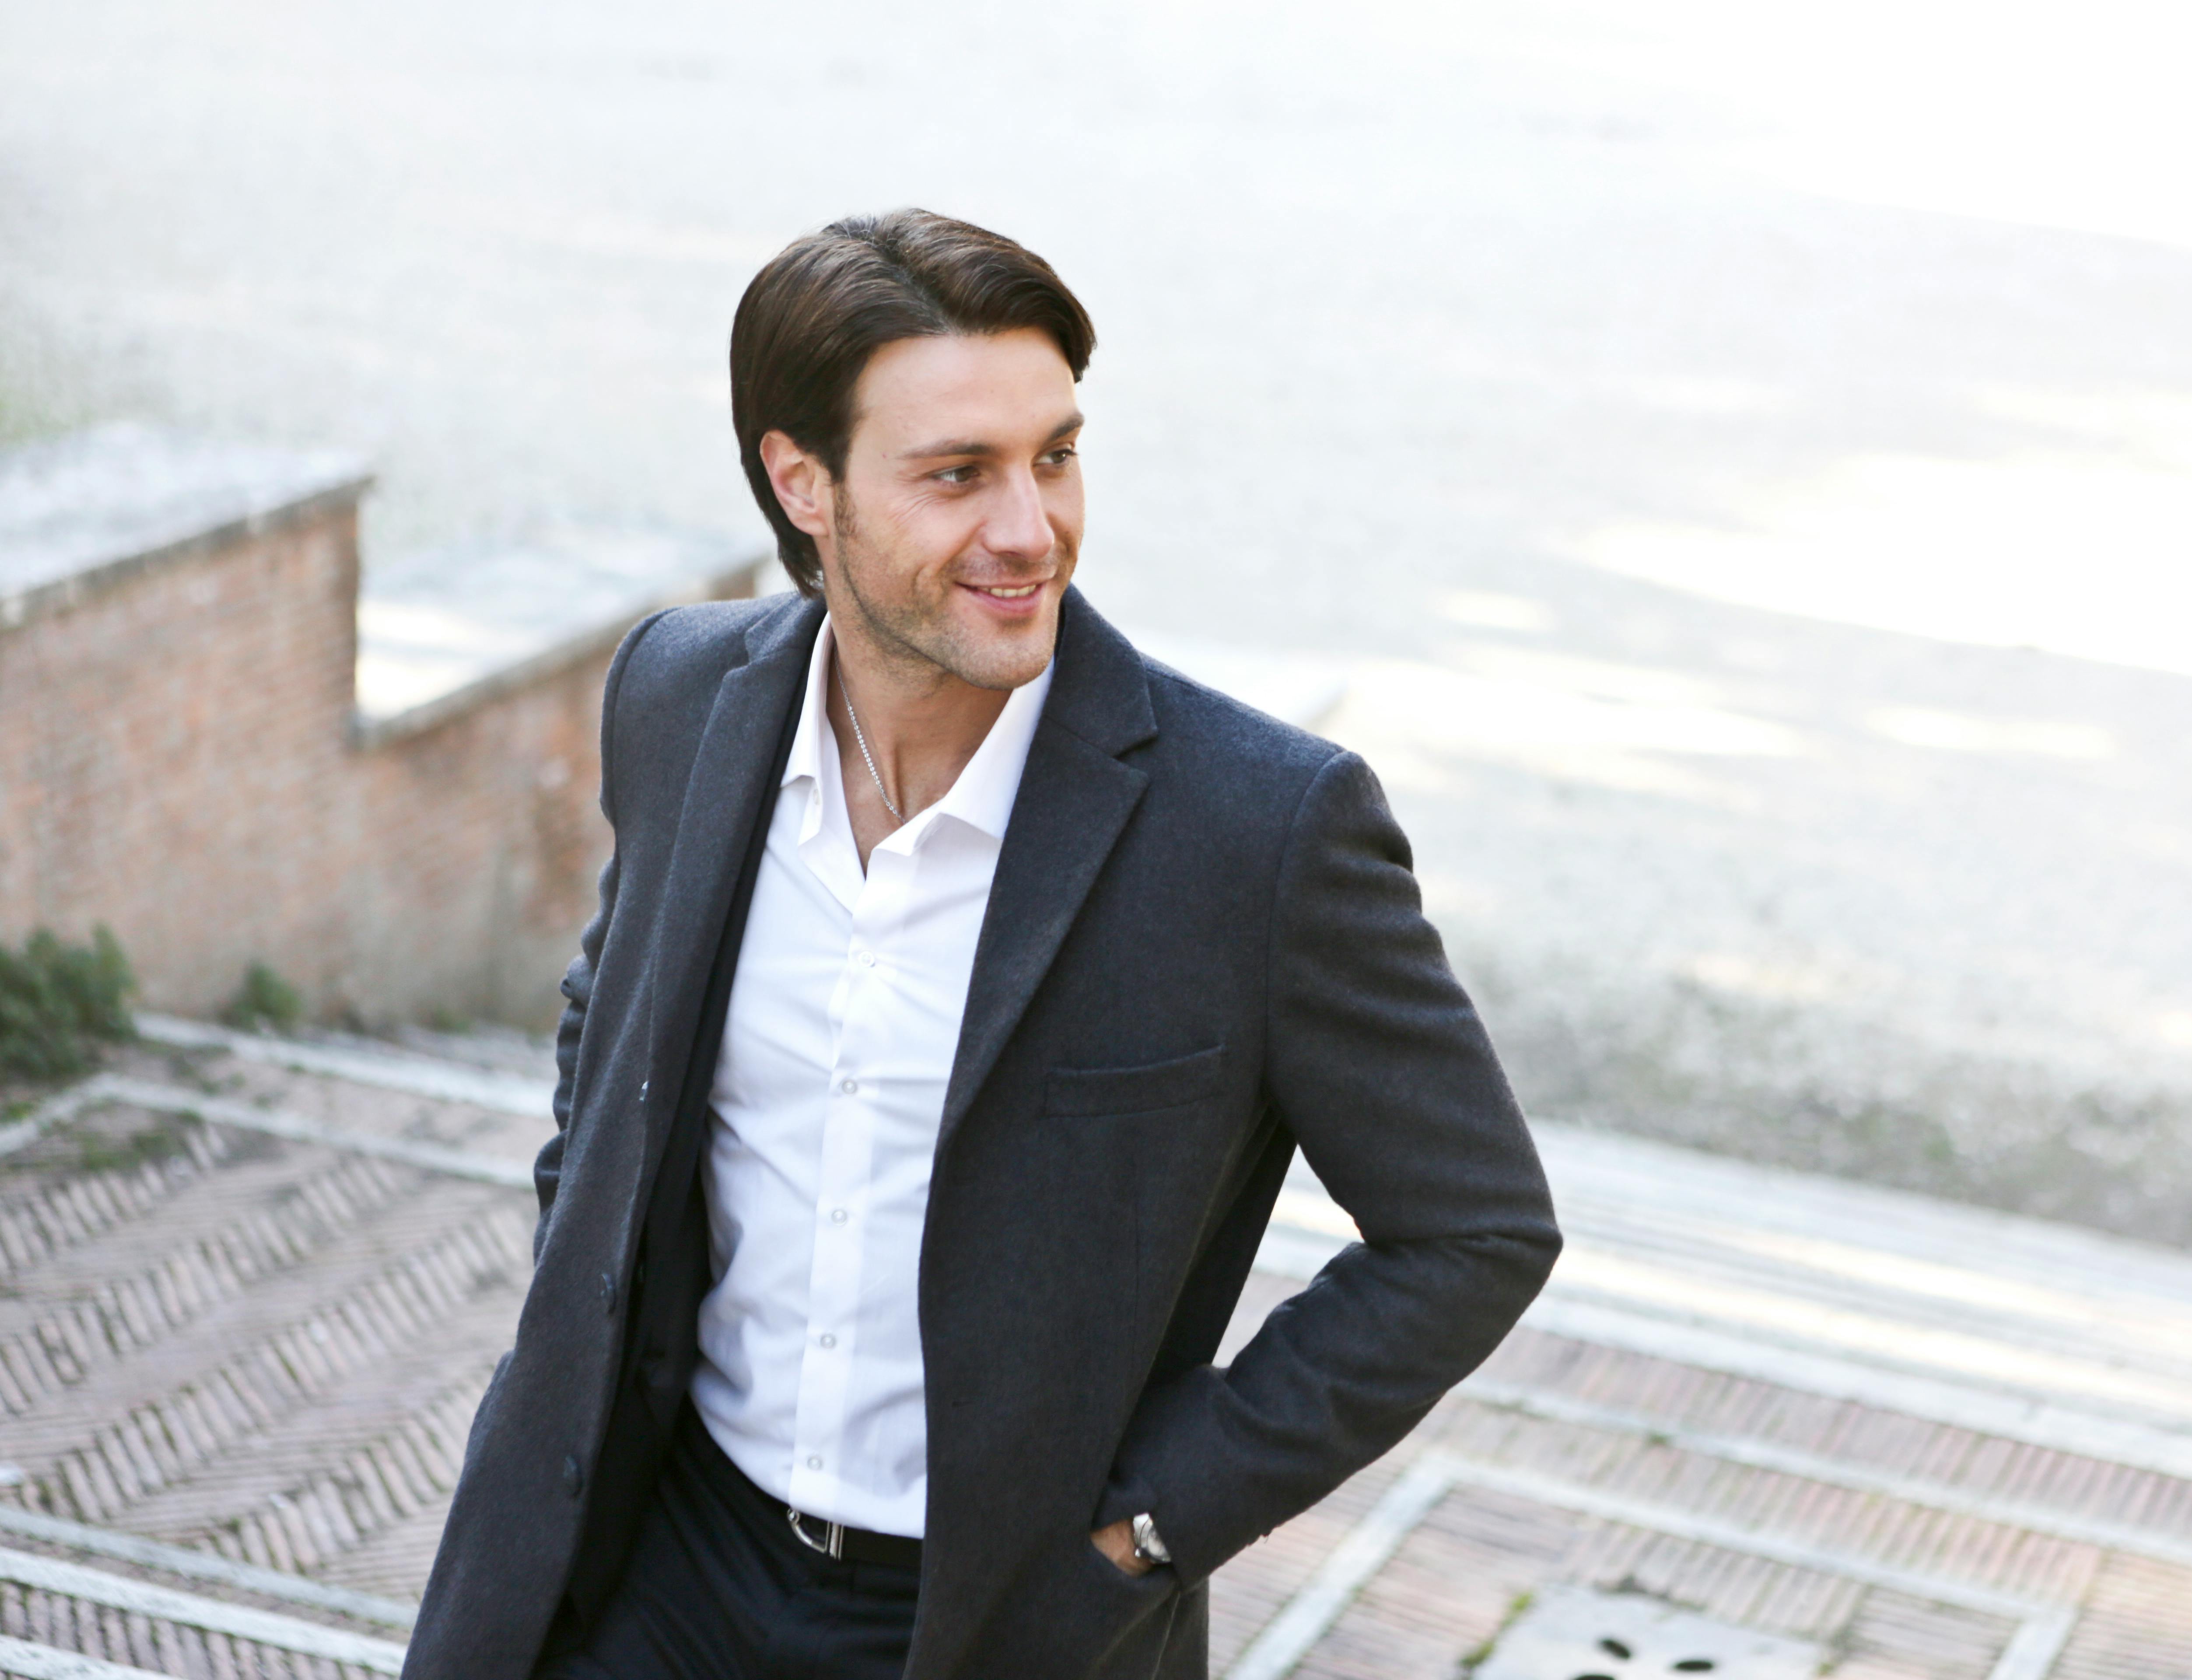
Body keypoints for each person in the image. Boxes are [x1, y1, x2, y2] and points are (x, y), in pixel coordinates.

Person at [404, 209, 1560, 1680]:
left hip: (995, 1624)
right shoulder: (680, 695)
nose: (1031, 530)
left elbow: (1474, 1230)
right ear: (801, 481)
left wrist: (1150, 1530)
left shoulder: (1258, 830)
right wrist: (588, 1294)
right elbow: (610, 1017)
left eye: (1056, 456)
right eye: (959, 475)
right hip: (655, 1562)